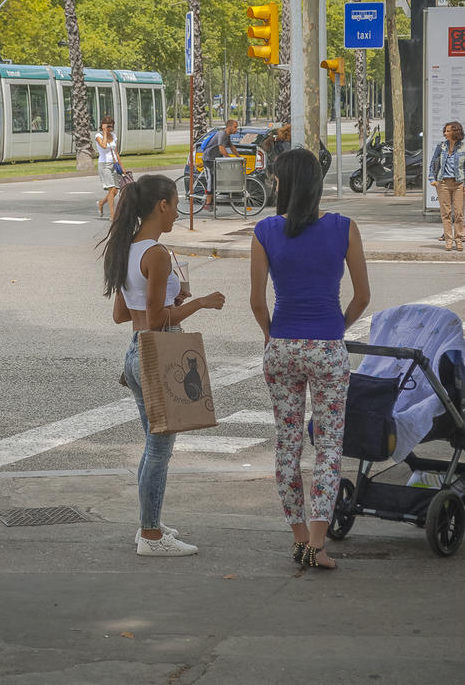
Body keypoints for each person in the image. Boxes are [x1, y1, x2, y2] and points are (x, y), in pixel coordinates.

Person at [250, 148, 370, 570]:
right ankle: (318, 546)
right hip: (327, 348)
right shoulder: (344, 228)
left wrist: (272, 337)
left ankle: (298, 538)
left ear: (282, 185)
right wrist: (336, 325)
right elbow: (362, 296)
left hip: (282, 346)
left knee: (287, 446)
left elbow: (257, 302)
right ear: (318, 184)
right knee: (328, 448)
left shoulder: (264, 230)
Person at [101, 174, 225, 556]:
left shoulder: (127, 248)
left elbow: (123, 314)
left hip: (137, 353)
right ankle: (151, 535)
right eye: (175, 203)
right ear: (161, 206)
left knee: (154, 445)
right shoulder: (156, 253)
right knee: (159, 450)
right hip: (158, 351)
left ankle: (148, 523)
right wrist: (200, 302)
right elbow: (157, 319)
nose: (178, 211)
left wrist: (176, 295)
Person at [428, 121, 465, 251]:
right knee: (446, 213)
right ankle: (448, 240)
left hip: (459, 183)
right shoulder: (441, 146)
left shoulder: (463, 147)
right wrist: (432, 179)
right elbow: (433, 162)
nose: (445, 133)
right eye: (445, 130)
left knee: (459, 213)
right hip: (443, 183)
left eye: (448, 131)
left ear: (456, 132)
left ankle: (459, 240)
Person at [202, 119, 240, 209]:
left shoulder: (227, 136)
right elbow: (222, 150)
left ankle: (212, 200)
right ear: (229, 127)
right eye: (235, 127)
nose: (236, 129)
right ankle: (207, 204)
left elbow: (232, 148)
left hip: (216, 160)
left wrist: (240, 157)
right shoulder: (222, 134)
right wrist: (230, 159)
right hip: (208, 159)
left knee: (217, 180)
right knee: (211, 180)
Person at [96, 115, 124, 220]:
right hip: (104, 165)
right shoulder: (98, 136)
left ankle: (101, 203)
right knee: (111, 189)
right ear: (103, 126)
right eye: (108, 127)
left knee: (115, 191)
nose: (110, 129)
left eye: (111, 127)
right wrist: (104, 132)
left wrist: (122, 167)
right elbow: (103, 146)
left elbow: (116, 152)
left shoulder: (113, 136)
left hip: (114, 165)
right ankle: (113, 215)